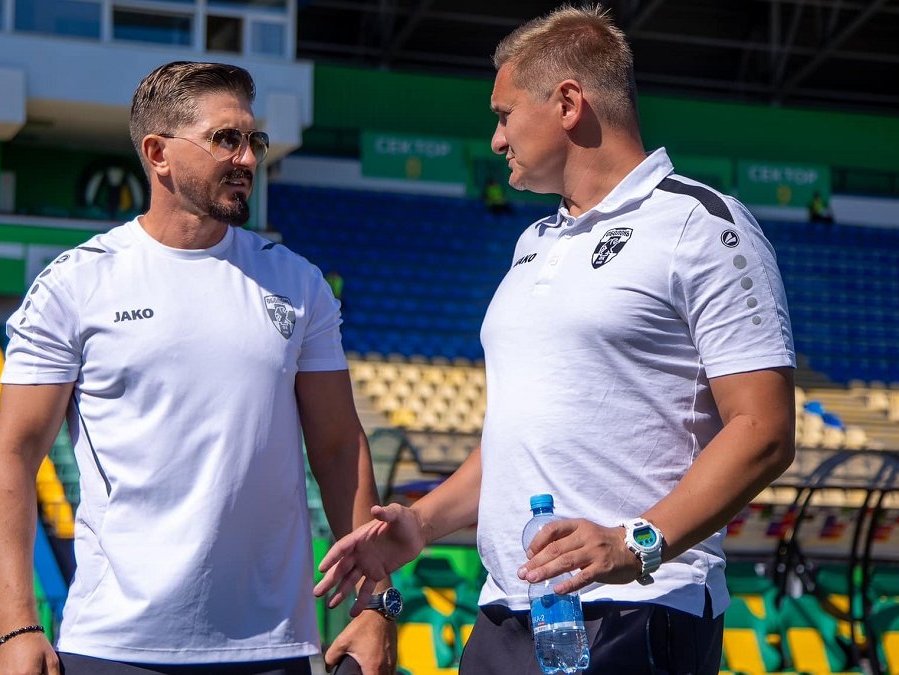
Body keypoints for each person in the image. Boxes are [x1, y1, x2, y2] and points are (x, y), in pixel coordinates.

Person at [314, 6, 796, 673]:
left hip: (640, 607)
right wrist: (421, 525)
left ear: (568, 104)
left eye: (504, 115)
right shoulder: (534, 241)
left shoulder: (702, 225)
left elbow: (764, 429)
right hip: (508, 610)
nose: (496, 140)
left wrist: (634, 543)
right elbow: (521, 443)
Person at [0, 61, 395, 675]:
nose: (248, 158)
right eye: (225, 139)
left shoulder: (299, 283)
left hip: (271, 646)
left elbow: (338, 448)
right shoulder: (74, 284)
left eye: (253, 140)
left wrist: (377, 603)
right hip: (115, 646)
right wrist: (16, 627)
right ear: (158, 153)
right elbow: (13, 455)